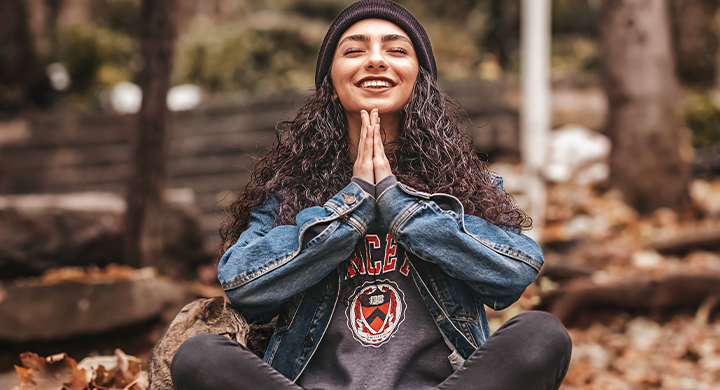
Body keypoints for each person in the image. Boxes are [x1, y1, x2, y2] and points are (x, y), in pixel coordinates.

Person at [171, 1, 572, 389]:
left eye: (396, 50)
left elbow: (516, 272)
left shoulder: (466, 185)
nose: (376, 60)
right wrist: (352, 205)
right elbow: (242, 285)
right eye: (355, 50)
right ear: (330, 86)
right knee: (200, 356)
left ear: (420, 83)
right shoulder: (286, 193)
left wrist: (403, 208)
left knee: (541, 334)